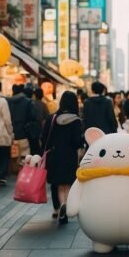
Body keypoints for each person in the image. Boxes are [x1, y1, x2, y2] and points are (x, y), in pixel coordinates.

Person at [40, 91, 83, 224]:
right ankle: (66, 205)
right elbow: (77, 141)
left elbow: (44, 137)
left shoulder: (51, 118)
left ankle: (59, 207)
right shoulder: (76, 120)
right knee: (67, 183)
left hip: (54, 155)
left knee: (58, 184)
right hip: (69, 155)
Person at [7, 84, 38, 160]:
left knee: (13, 160)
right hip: (24, 135)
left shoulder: (8, 102)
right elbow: (33, 117)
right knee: (24, 160)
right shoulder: (28, 102)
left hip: (10, 136)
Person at [31, 87, 50, 154]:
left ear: (35, 95)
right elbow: (47, 117)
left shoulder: (31, 103)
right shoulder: (44, 105)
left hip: (31, 129)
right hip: (40, 129)